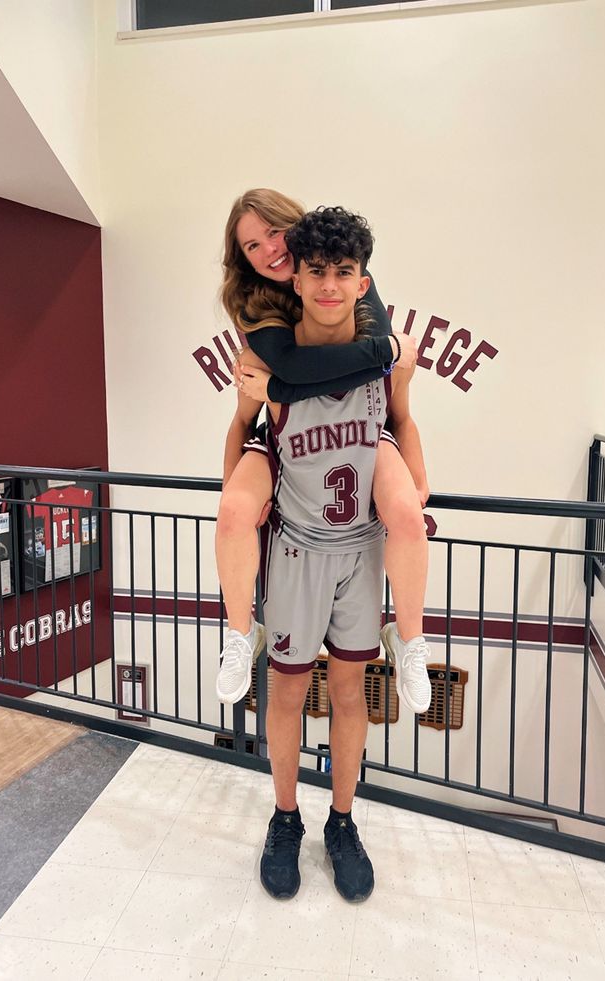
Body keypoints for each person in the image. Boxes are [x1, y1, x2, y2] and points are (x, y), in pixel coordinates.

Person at [234, 206, 418, 902]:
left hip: (361, 552)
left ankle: (342, 821)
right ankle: (286, 817)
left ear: (362, 280)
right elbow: (241, 443)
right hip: (298, 551)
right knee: (284, 690)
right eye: (319, 271)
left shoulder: (382, 358)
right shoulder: (267, 363)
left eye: (345, 272)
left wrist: (414, 494)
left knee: (348, 692)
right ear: (299, 280)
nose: (332, 284)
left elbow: (404, 430)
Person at [214, 189, 432, 714]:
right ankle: (241, 634)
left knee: (405, 512)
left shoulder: (343, 280)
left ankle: (410, 639)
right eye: (251, 245)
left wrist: (418, 480)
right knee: (234, 511)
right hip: (285, 439)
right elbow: (291, 375)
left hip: (358, 439)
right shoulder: (255, 308)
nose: (269, 249)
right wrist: (278, 395)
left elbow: (389, 388)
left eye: (274, 233)